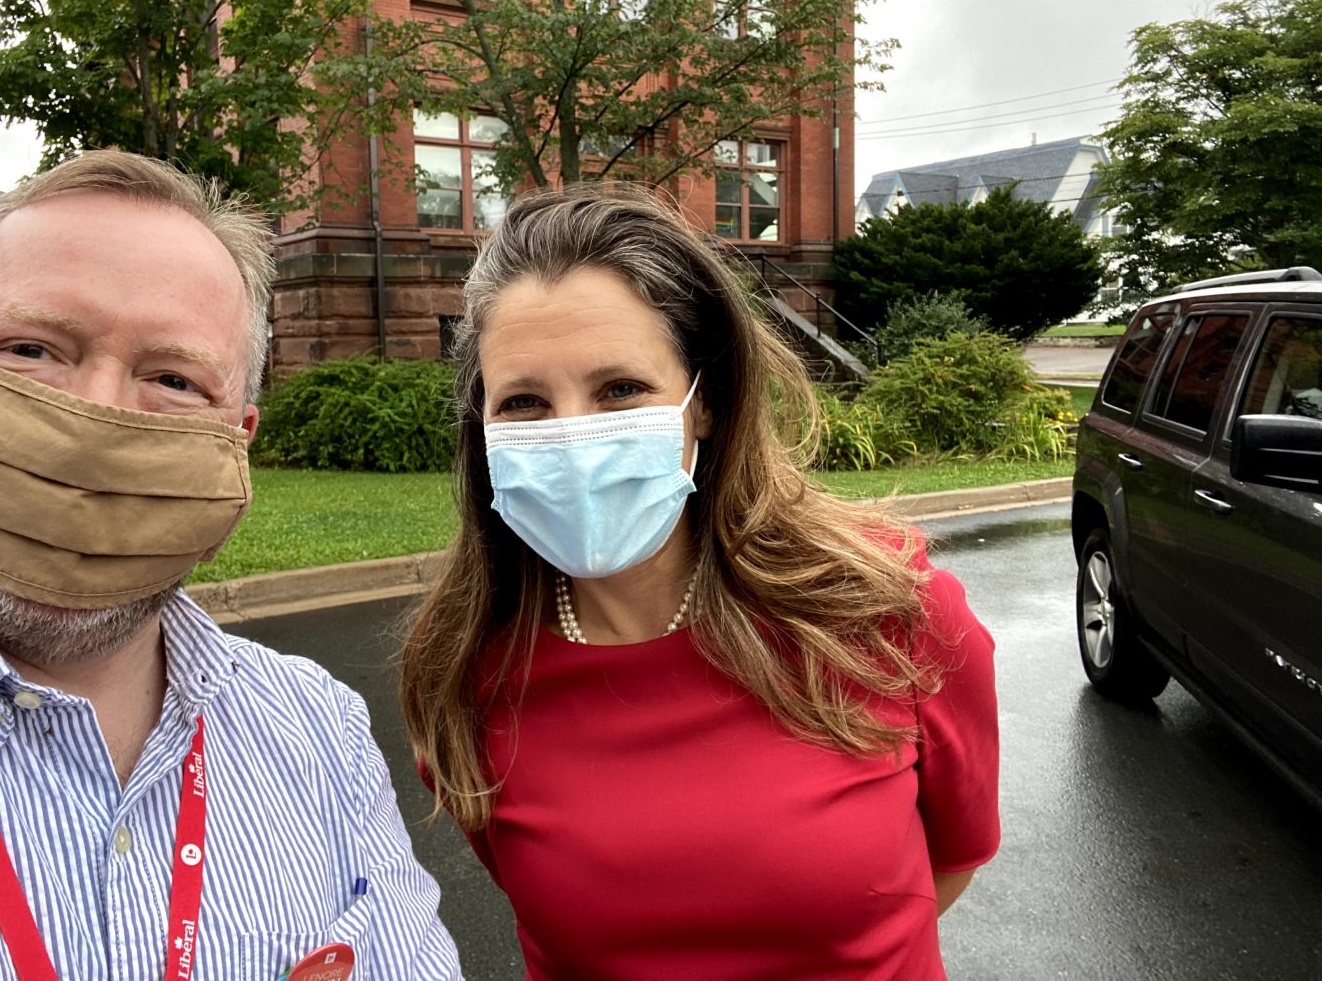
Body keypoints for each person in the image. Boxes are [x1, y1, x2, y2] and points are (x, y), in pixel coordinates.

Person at [0, 151, 461, 979]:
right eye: (30, 349)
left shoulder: (320, 732)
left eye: (172, 378)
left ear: (238, 445)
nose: (92, 413)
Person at [400, 183, 999, 980]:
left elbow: (953, 859)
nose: (572, 433)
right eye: (524, 402)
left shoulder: (887, 608)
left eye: (620, 389)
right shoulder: (466, 673)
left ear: (704, 403)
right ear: (482, 429)